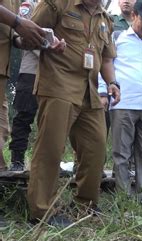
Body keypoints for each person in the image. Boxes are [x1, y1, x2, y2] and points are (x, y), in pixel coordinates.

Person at [26, 0, 120, 227]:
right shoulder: (57, 3)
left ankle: (85, 206)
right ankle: (41, 212)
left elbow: (106, 58)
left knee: (96, 148)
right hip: (58, 84)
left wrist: (113, 82)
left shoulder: (104, 18)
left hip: (90, 90)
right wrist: (47, 44)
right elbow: (27, 33)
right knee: (50, 149)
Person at [100, 0, 142, 201]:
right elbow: (105, 64)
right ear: (135, 15)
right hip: (123, 104)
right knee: (122, 153)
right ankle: (122, 196)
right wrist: (103, 92)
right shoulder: (117, 38)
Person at [0, 0, 45, 228]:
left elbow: (12, 34)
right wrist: (20, 24)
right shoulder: (28, 5)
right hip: (25, 70)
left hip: (53, 72)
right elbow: (17, 29)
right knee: (20, 119)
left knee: (4, 131)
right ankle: (16, 160)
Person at [9, 1, 39, 172]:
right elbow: (22, 34)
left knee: (52, 120)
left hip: (57, 73)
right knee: (24, 115)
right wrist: (51, 51)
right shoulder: (31, 5)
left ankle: (49, 161)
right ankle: (17, 159)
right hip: (31, 70)